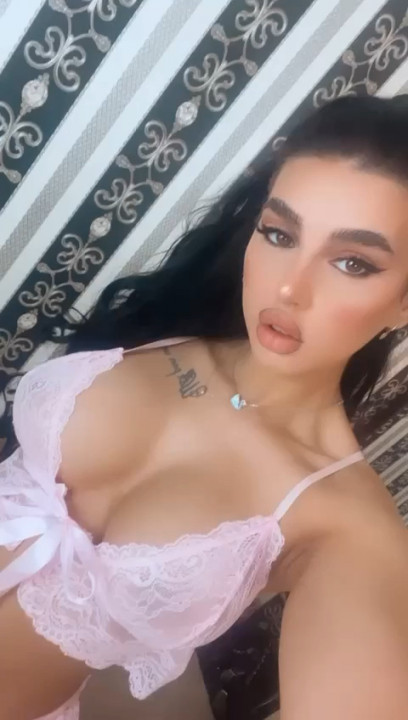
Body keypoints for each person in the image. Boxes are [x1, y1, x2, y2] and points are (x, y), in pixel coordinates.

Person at [1, 95, 408, 720]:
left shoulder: (347, 527)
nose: (289, 287)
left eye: (352, 263)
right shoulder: (174, 323)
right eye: (279, 234)